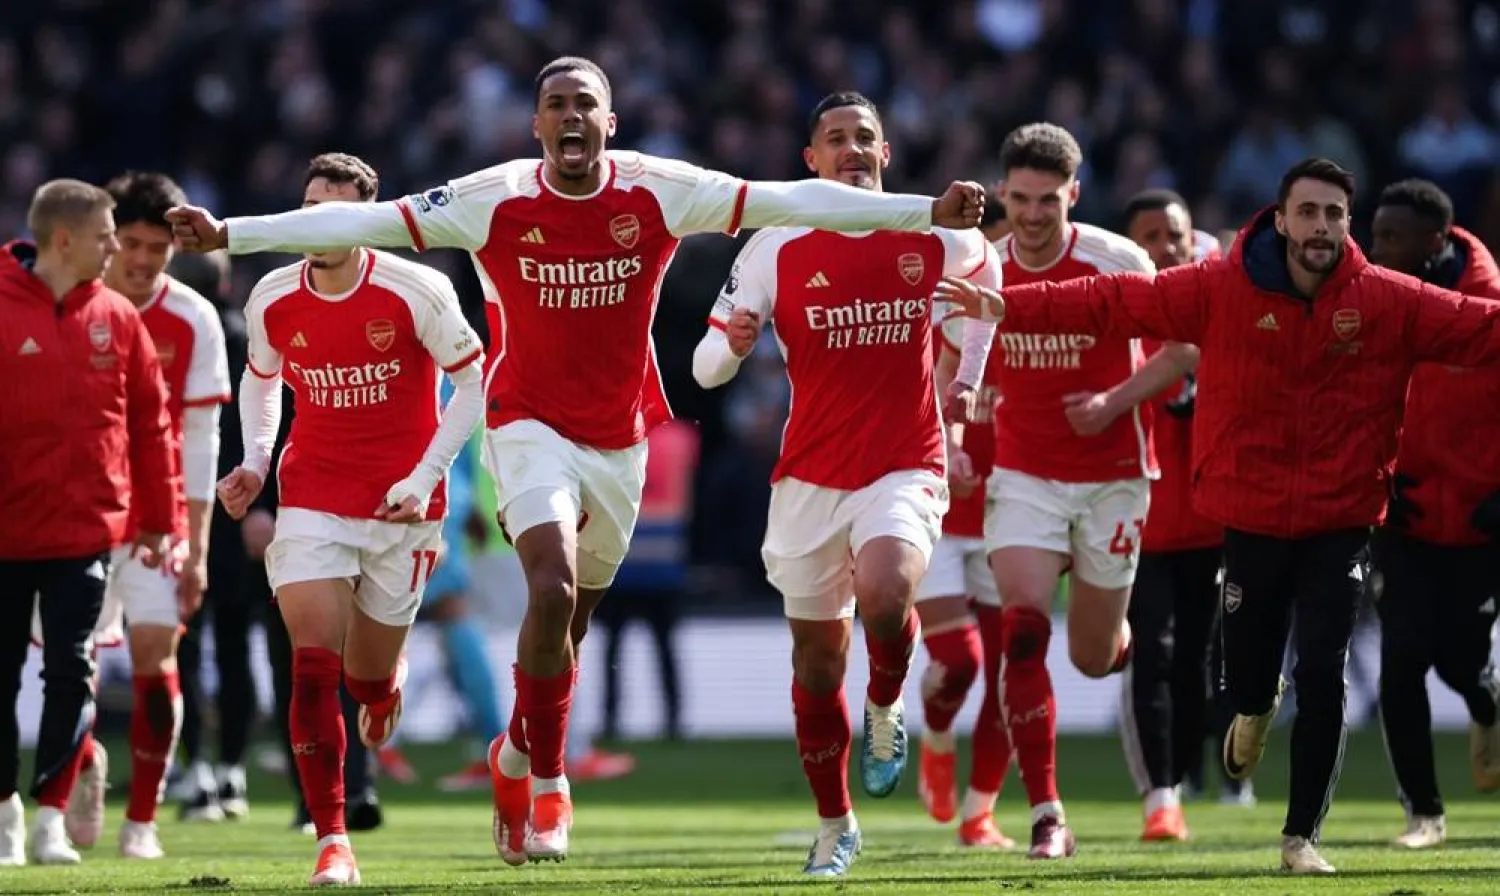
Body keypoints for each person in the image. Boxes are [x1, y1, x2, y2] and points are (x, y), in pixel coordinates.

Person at [166, 56, 985, 865]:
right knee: (549, 586)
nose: (569, 117)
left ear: (608, 122)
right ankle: (553, 785)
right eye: (555, 104)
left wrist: (925, 211)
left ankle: (517, 752)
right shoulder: (493, 199)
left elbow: (789, 199)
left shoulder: (657, 188)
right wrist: (234, 235)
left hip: (620, 437)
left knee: (568, 627)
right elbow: (357, 223)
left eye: (584, 104)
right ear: (537, 125)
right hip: (524, 424)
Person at [937, 157, 1500, 874]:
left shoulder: (1387, 299)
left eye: (1334, 214)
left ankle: (1302, 838)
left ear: (1346, 225)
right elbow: (1113, 302)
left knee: (1323, 671)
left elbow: (1482, 329)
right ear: (1283, 218)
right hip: (1252, 515)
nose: (1320, 227)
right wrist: (1010, 305)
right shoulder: (1219, 288)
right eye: (1308, 212)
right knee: (1245, 684)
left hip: (1343, 518)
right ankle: (1254, 707)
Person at [692, 91, 998, 877]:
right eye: (836, 138)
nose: (852, 148)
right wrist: (732, 344)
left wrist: (966, 377)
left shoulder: (933, 231)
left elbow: (984, 296)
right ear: (811, 161)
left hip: (905, 460)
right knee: (817, 664)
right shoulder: (777, 244)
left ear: (886, 154)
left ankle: (888, 702)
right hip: (810, 478)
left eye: (866, 136)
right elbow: (704, 367)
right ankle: (836, 824)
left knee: (890, 592)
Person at [212, 152, 485, 886]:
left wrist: (425, 476)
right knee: (311, 670)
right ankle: (333, 838)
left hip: (402, 505)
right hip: (313, 497)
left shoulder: (416, 286)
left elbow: (473, 383)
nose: (320, 223)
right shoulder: (272, 295)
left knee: (364, 682)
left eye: (338, 210)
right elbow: (261, 380)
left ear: (368, 217)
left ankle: (383, 681)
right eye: (310, 208)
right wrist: (258, 461)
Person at [979, 123, 1158, 860]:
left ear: (1073, 196)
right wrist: (963, 418)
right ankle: (1048, 814)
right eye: (1019, 198)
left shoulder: (1117, 260)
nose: (1031, 214)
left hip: (1113, 480)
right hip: (1023, 475)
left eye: (1047, 200)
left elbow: (1182, 349)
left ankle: (1118, 639)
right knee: (1022, 631)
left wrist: (1115, 401)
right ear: (1001, 194)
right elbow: (948, 349)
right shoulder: (982, 265)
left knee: (1089, 656)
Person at [55, 172, 232, 860]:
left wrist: (199, 545)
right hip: (78, 522)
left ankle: (143, 821)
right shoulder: (67, 308)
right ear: (107, 240)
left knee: (160, 657)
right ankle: (83, 765)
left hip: (161, 524)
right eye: (129, 243)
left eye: (156, 247)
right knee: (76, 673)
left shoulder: (194, 319)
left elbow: (201, 442)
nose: (142, 259)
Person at [0, 179, 177, 866]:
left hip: (89, 528)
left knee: (73, 670)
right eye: (107, 235)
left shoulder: (119, 317)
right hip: (7, 531)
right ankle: (6, 812)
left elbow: (150, 425)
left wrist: (158, 518)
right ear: (64, 239)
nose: (115, 247)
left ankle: (49, 816)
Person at [1062, 189, 1223, 842]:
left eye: (1174, 235)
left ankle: (1188, 774)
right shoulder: (1111, 315)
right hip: (1138, 524)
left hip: (1214, 522)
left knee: (1200, 663)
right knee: (1149, 657)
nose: (1164, 247)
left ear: (1193, 241)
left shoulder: (1221, 315)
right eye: (1149, 236)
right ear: (1127, 248)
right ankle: (1161, 794)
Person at [1368, 178, 1500, 850]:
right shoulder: (1369, 307)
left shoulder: (1493, 309)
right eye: (1377, 234)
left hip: (1481, 524)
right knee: (1403, 660)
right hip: (1406, 520)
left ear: (1438, 242)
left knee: (1461, 662)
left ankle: (1486, 704)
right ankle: (1425, 814)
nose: (1378, 249)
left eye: (1393, 238)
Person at [913, 278, 1012, 849]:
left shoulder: (1030, 318)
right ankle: (940, 731)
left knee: (1008, 672)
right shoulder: (930, 314)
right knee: (960, 659)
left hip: (1010, 514)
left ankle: (980, 815)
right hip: (939, 513)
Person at [166, 248, 260, 822]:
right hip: (237, 510)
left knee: (182, 648)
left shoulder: (168, 339)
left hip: (180, 508)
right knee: (234, 648)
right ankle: (233, 773)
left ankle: (196, 771)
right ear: (226, 282)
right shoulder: (250, 341)